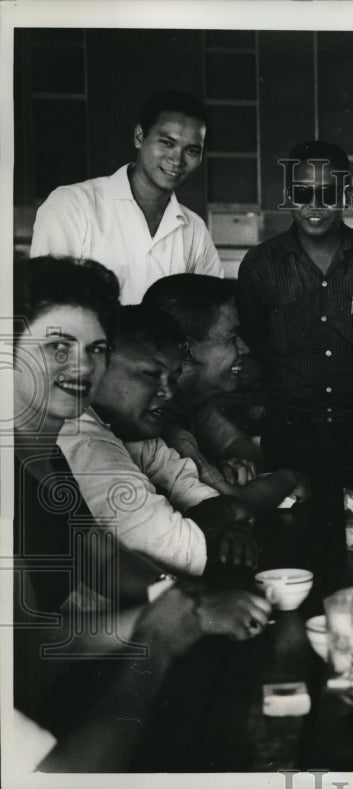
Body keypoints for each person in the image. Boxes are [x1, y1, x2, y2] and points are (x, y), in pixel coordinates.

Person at [11, 257, 271, 773]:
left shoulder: (41, 455)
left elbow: (86, 572)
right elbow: (59, 777)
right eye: (56, 346)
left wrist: (178, 608)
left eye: (97, 348)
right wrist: (154, 641)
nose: (81, 368)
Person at [237, 140, 353, 491]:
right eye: (303, 193)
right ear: (288, 195)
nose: (314, 206)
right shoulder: (261, 264)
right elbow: (249, 346)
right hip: (288, 432)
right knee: (288, 535)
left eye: (327, 193)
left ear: (345, 196)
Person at [58, 305, 259, 575]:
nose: (168, 392)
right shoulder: (84, 442)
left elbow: (199, 493)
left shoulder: (132, 430)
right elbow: (180, 548)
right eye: (151, 374)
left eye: (174, 379)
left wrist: (228, 519)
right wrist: (229, 516)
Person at [30, 90, 221, 304]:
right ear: (139, 137)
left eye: (192, 150)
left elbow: (211, 313)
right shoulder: (71, 205)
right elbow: (46, 305)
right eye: (167, 142)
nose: (177, 160)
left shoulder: (195, 230)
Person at [142, 274, 310, 510]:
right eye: (232, 338)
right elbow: (233, 501)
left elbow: (237, 444)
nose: (244, 348)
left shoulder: (193, 403)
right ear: (186, 349)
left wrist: (233, 467)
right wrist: (292, 478)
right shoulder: (159, 419)